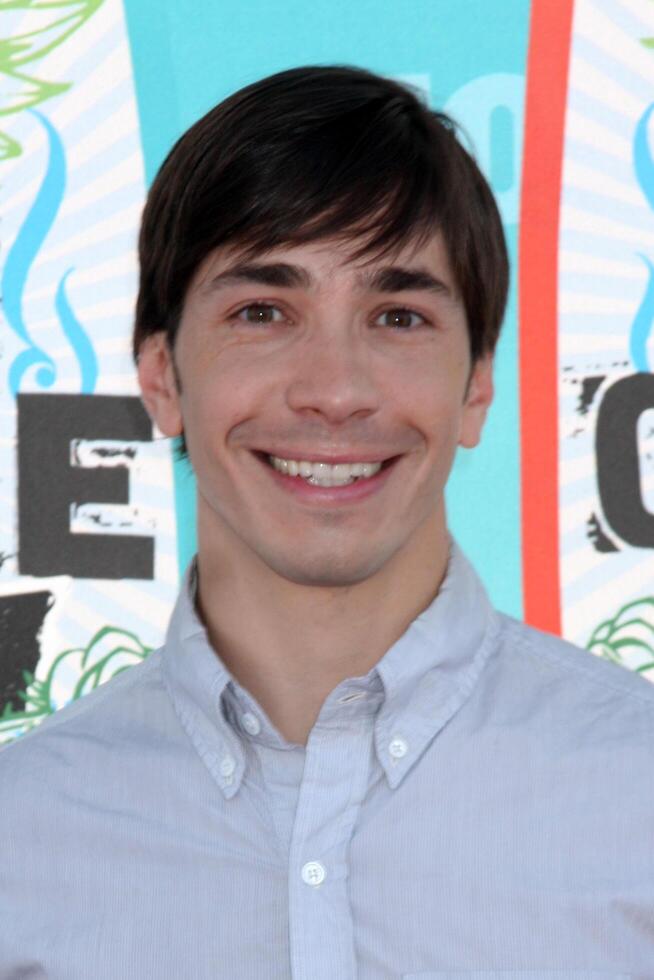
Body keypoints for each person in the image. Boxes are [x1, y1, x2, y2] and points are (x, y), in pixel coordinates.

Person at [1, 65, 653, 979]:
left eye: (398, 316)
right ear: (160, 377)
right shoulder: (19, 840)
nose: (335, 391)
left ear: (476, 386)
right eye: (262, 311)